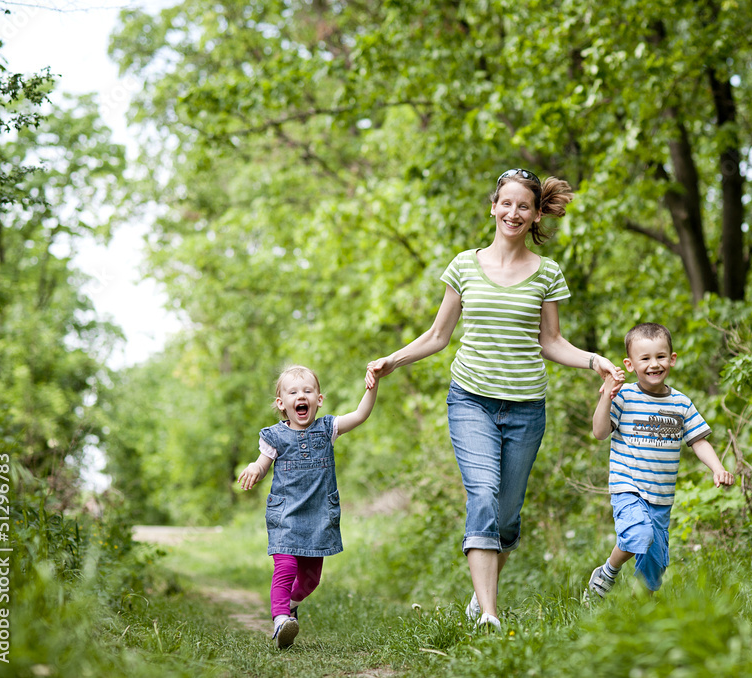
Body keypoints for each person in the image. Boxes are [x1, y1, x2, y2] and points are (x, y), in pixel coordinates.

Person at [365, 168, 624, 630]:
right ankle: (489, 614)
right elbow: (438, 335)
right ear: (493, 206)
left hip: (526, 408)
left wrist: (593, 361)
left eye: (523, 206)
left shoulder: (547, 273)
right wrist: (392, 360)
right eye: (506, 203)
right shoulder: (464, 265)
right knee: (482, 496)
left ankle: (478, 596)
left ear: (536, 213)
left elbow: (552, 342)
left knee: (505, 517)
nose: (513, 212)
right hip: (471, 402)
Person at [587, 322, 734, 597]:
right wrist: (607, 395)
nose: (654, 364)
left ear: (672, 359)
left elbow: (698, 440)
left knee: (654, 567)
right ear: (630, 365)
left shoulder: (681, 403)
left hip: (661, 496)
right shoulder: (625, 397)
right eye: (645, 359)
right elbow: (599, 432)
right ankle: (608, 571)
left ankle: (642, 611)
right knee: (638, 534)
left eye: (660, 357)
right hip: (627, 487)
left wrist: (718, 468)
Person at [238, 365, 378, 649]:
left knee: (311, 580)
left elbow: (360, 415)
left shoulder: (328, 429)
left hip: (318, 518)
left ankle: (289, 605)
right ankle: (280, 620)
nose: (301, 396)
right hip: (285, 516)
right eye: (293, 392)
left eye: (307, 391)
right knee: (286, 567)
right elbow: (263, 465)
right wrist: (254, 467)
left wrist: (372, 387)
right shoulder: (274, 436)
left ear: (319, 399)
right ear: (282, 403)